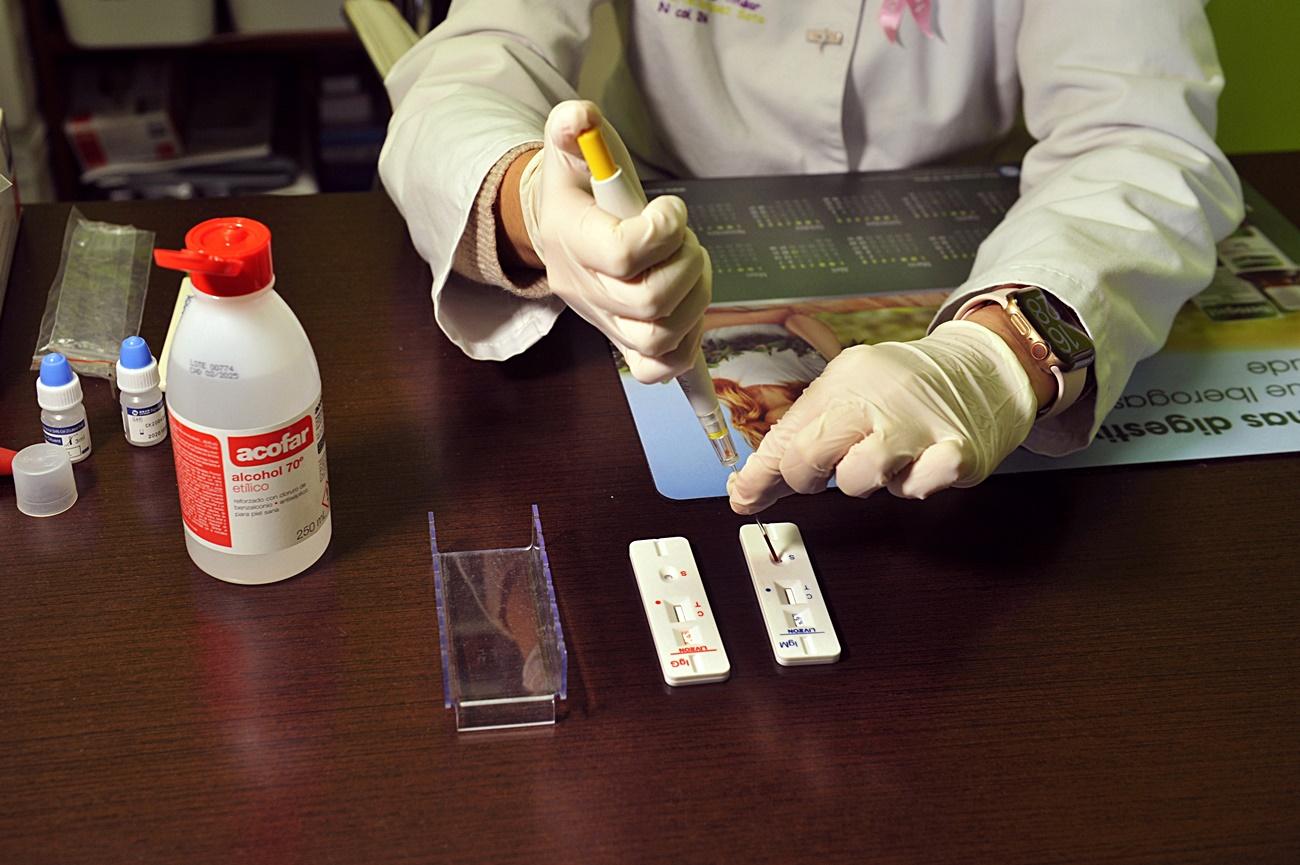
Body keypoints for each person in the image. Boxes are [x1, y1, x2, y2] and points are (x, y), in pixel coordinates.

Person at [379, 1, 1244, 514]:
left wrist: (1001, 350)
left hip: (978, 247)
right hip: (658, 222)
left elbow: (1139, 135)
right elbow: (474, 63)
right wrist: (532, 204)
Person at [703, 306, 844, 449]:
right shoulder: (820, 376)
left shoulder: (722, 394)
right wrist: (841, 364)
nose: (796, 427)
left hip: (715, 305)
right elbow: (797, 320)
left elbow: (693, 328)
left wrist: (760, 316)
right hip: (772, 302)